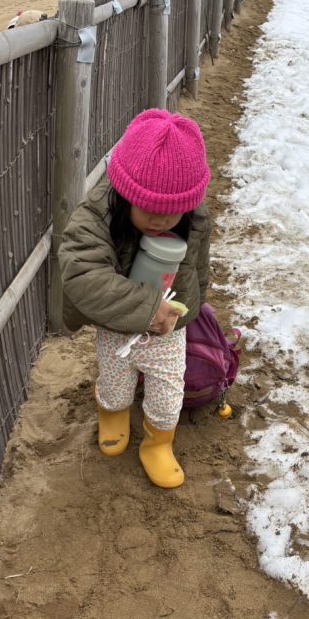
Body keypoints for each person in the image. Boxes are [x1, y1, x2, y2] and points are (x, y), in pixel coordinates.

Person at [58, 109, 212, 489]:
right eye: (149, 210)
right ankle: (111, 410)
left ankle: (158, 443)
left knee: (166, 391)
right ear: (127, 194)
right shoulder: (98, 214)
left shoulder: (193, 216)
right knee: (116, 382)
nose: (160, 221)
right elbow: (83, 275)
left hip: (169, 327)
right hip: (117, 322)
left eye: (171, 212)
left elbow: (198, 267)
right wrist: (146, 308)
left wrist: (191, 308)